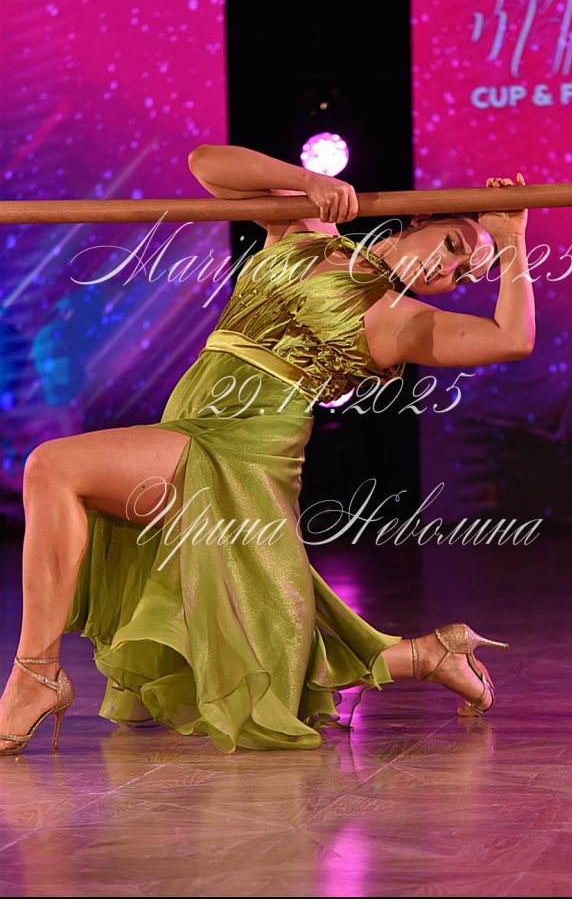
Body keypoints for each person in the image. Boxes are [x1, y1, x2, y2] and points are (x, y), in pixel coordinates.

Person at [0, 144, 534, 756]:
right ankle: (430, 654)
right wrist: (307, 181)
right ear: (418, 219)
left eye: (463, 275)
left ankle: (36, 675)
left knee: (53, 466)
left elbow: (512, 339)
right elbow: (205, 165)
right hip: (192, 427)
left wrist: (512, 239)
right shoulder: (308, 232)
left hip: (242, 453)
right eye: (453, 244)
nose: (449, 270)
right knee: (248, 630)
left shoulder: (402, 321)